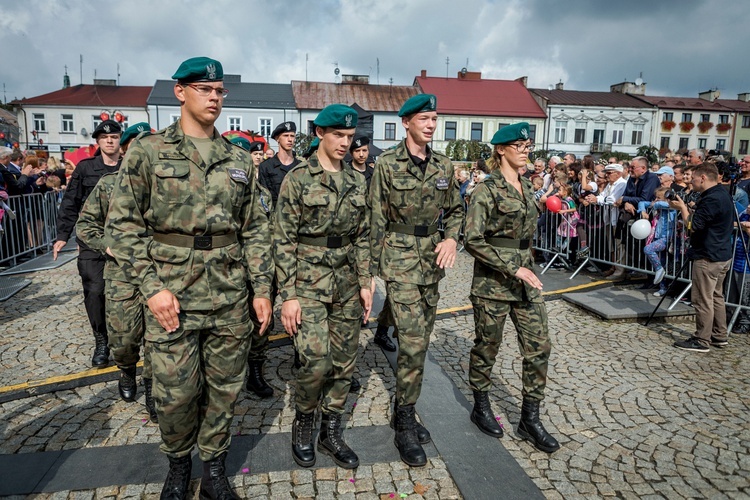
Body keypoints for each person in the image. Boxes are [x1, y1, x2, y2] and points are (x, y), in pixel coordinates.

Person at [106, 57, 273, 500]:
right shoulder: (148, 150)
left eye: (220, 91)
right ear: (180, 92)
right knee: (176, 393)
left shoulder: (238, 159)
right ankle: (178, 466)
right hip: (171, 295)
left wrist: (261, 290)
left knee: (224, 389)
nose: (215, 97)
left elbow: (255, 228)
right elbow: (122, 226)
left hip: (229, 294)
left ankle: (214, 470)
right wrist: (152, 288)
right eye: (204, 89)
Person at [273, 104, 372, 469]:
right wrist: (289, 295)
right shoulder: (298, 178)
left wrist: (365, 282)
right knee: (316, 361)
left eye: (349, 137)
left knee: (344, 363)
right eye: (338, 136)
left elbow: (362, 237)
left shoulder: (356, 180)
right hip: (308, 282)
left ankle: (331, 431)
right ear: (319, 134)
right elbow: (282, 239)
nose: (345, 143)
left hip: (346, 283)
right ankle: (304, 420)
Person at [368, 93, 464, 466]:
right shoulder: (387, 164)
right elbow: (375, 216)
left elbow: (456, 210)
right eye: (424, 118)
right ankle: (404, 421)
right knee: (411, 345)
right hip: (399, 260)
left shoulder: (444, 165)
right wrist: (369, 275)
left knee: (420, 339)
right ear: (406, 122)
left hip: (431, 263)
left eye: (435, 118)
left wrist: (453, 237)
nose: (430, 124)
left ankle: (403, 406)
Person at [464, 122, 559, 453]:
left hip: (525, 282)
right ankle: (480, 404)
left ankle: (529, 419)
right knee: (487, 346)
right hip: (493, 283)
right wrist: (511, 266)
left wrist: (524, 267)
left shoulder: (527, 188)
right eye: (520, 145)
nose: (526, 151)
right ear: (501, 150)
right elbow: (472, 239)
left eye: (528, 146)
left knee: (539, 346)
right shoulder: (485, 192)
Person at [75, 123, 158, 422]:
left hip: (157, 275)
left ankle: (152, 388)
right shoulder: (109, 185)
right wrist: (107, 245)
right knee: (123, 341)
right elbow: (85, 226)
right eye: (135, 144)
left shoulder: (164, 186)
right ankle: (126, 371)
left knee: (158, 339)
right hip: (122, 275)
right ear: (125, 149)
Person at [53, 119, 122, 367]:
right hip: (92, 239)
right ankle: (101, 340)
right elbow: (70, 202)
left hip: (123, 240)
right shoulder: (85, 168)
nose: (109, 140)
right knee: (95, 291)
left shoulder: (131, 167)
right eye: (105, 138)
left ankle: (126, 339)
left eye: (114, 136)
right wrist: (62, 236)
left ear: (120, 139)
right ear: (98, 141)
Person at [669, 163, 734, 352]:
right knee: (716, 296)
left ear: (703, 178)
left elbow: (693, 225)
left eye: (695, 177)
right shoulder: (722, 194)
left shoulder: (712, 198)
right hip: (721, 254)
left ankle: (701, 340)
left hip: (708, 256)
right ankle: (719, 335)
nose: (692, 181)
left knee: (703, 299)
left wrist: (682, 207)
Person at [231, 138, 276, 398]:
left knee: (261, 324)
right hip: (232, 271)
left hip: (259, 269)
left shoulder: (263, 193)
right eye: (251, 153)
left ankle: (256, 373)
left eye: (257, 154)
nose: (255, 157)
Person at [258, 121, 299, 206]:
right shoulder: (266, 166)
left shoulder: (301, 166)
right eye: (285, 136)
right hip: (274, 216)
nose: (290, 139)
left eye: (292, 136)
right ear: (277, 139)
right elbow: (263, 198)